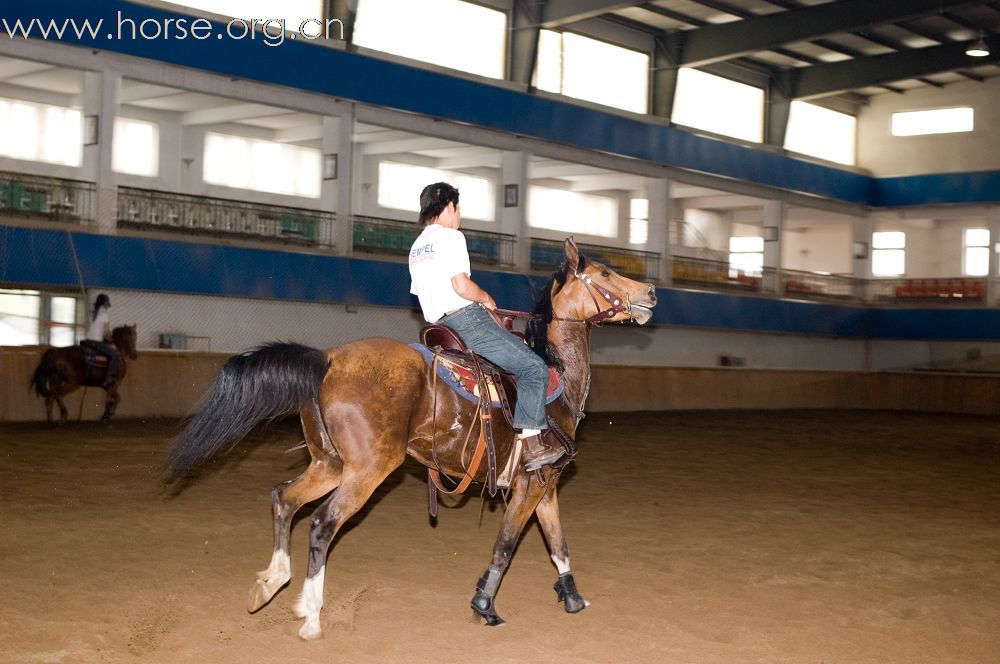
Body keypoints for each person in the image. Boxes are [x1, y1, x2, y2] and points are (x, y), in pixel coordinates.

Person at [408, 182, 564, 472]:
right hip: (466, 321)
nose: (459, 215)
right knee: (533, 367)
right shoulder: (451, 237)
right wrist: (485, 297)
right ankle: (531, 445)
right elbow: (460, 285)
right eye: (458, 208)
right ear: (450, 206)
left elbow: (424, 293)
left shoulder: (417, 247)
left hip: (438, 327)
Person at [81, 293, 119, 387]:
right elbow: (106, 333)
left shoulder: (90, 312)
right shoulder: (104, 315)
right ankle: (108, 378)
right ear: (105, 303)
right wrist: (111, 339)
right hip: (96, 342)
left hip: (86, 341)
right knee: (114, 355)